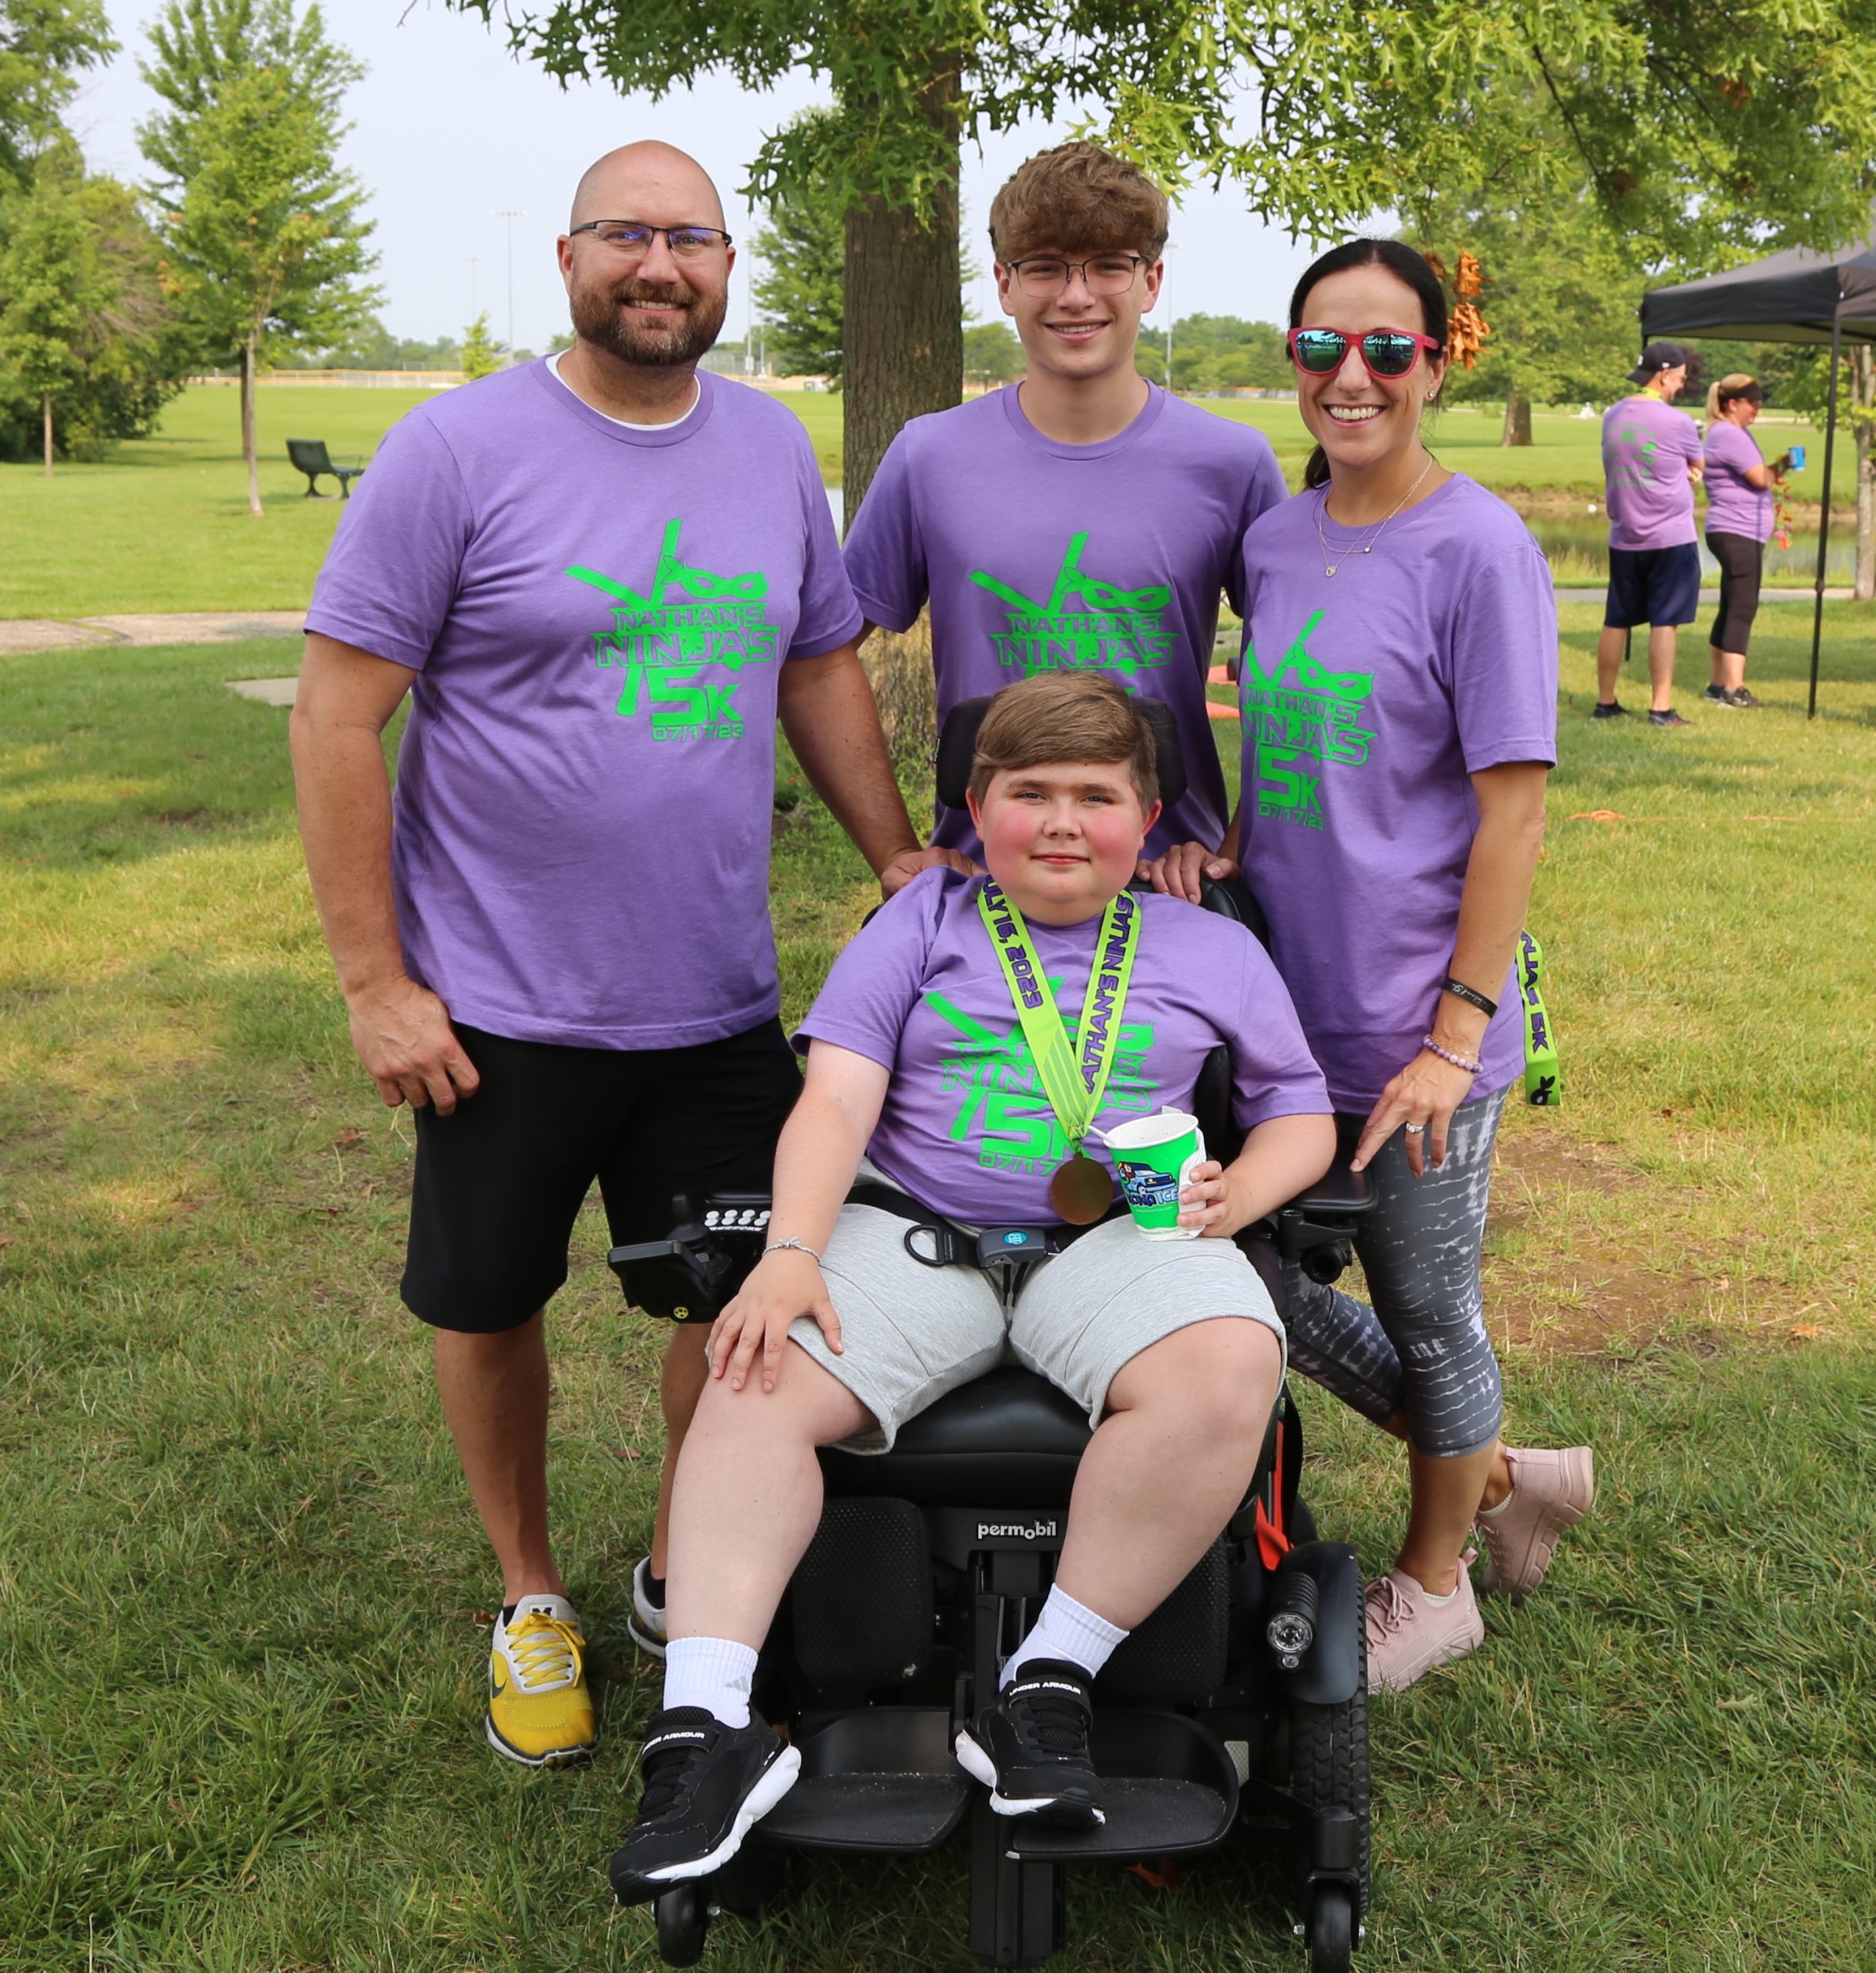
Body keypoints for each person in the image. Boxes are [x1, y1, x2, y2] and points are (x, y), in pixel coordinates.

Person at [291, 141, 959, 1772]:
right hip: (497, 1006)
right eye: (626, 237)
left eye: (691, 240)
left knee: (735, 1300)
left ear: (724, 266)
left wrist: (890, 854)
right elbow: (335, 714)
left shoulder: (763, 445)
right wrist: (378, 981)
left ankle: (678, 1557)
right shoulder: (455, 452)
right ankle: (528, 1591)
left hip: (715, 999)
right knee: (488, 1297)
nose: (659, 267)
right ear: (572, 258)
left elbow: (812, 667)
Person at [608, 671, 1336, 1895]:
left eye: (1095, 797)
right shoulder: (921, 926)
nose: (1062, 822)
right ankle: (707, 1729)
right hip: (916, 1231)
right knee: (754, 1367)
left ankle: (1041, 1687)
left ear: (1146, 817)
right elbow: (835, 1097)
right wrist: (789, 1255)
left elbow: (1300, 1115)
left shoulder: (1212, 947)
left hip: (1120, 1238)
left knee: (1229, 1368)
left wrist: (1239, 1196)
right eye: (1030, 793)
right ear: (975, 809)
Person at [1148, 239, 1593, 1692]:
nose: (1348, 376)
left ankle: (1432, 1577)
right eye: (1319, 346)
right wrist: (1210, 852)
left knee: (1422, 1308)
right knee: (1249, 1283)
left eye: (1384, 350)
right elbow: (1294, 760)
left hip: (1418, 1022)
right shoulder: (1276, 540)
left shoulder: (1476, 548)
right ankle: (1506, 1472)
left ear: (1434, 365)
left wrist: (1454, 1032)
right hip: (1284, 1010)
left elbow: (1511, 809)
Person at [841, 141, 1289, 862]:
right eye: (1043, 267)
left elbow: (1302, 681)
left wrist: (1229, 850)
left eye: (1110, 265)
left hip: (1168, 882)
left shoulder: (1231, 464)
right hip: (986, 884)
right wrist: (893, 849)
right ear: (1004, 284)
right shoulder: (930, 457)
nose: (1075, 297)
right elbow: (822, 660)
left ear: (1152, 281)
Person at [1593, 340, 1705, 727]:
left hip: (1624, 535)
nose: (1680, 386)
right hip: (1670, 537)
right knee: (1665, 621)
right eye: (1680, 378)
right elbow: (1697, 465)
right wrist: (1689, 475)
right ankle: (1661, 707)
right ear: (1664, 374)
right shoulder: (1679, 423)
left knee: (1616, 619)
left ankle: (1605, 703)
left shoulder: (1612, 415)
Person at [1701, 374, 1787, 709]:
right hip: (1737, 531)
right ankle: (1733, 690)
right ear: (1732, 404)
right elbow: (1760, 478)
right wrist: (1785, 464)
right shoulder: (1728, 434)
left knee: (1730, 605)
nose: (1757, 409)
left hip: (1736, 530)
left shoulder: (1731, 433)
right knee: (1743, 607)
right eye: (1752, 402)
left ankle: (1717, 684)